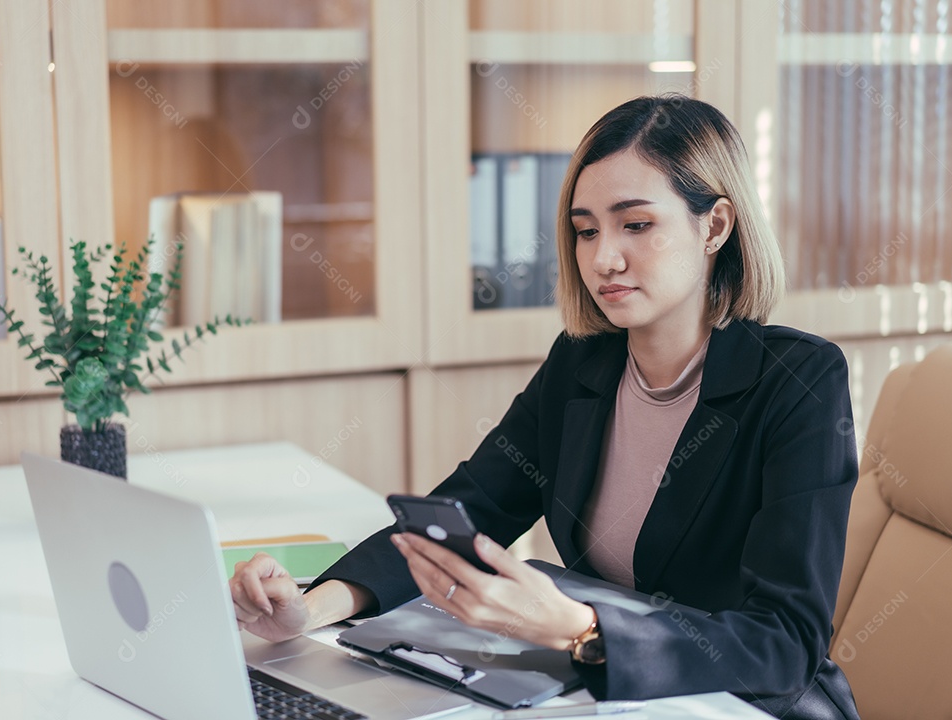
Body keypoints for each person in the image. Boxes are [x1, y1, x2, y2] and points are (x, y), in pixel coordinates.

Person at [230, 95, 861, 719]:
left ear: (715, 226)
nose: (602, 258)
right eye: (586, 231)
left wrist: (585, 631)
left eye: (635, 224)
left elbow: (785, 642)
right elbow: (470, 511)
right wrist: (310, 609)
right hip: (605, 692)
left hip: (747, 704)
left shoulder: (798, 380)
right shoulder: (583, 362)